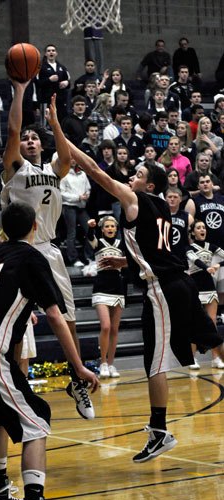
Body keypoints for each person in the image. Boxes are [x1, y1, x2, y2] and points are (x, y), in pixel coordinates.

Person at [66, 143, 224, 462]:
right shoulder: (163, 206)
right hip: (177, 283)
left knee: (155, 361)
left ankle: (160, 432)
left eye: (137, 175)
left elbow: (96, 172)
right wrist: (127, 263)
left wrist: (65, 141)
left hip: (162, 289)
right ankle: (158, 430)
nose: (130, 178)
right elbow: (156, 251)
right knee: (207, 341)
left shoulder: (135, 199)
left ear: (147, 186)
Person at [0, 202, 99, 500]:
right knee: (38, 420)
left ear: (2, 229)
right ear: (35, 227)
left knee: (1, 417)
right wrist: (78, 366)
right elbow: (55, 316)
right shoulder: (31, 257)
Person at [1, 80, 96, 421]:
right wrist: (20, 89)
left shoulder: (54, 170)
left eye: (33, 138)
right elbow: (12, 130)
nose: (28, 140)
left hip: (49, 251)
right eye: (26, 138)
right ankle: (5, 385)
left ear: (41, 144)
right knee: (9, 325)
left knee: (67, 319)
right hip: (18, 251)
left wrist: (55, 123)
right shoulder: (15, 169)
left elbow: (68, 157)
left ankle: (76, 379)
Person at [87, 216, 126, 378]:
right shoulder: (98, 243)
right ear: (102, 229)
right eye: (107, 226)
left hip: (118, 287)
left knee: (115, 329)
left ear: (116, 229)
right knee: (106, 327)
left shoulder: (121, 245)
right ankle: (102, 362)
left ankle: (111, 364)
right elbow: (90, 237)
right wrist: (91, 227)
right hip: (101, 288)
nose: (110, 228)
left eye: (112, 226)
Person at [186, 220, 224, 370]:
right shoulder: (188, 248)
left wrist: (218, 265)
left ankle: (215, 358)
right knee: (193, 322)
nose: (202, 230)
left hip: (209, 287)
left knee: (212, 322)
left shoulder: (212, 247)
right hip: (194, 286)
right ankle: (192, 358)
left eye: (204, 228)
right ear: (193, 232)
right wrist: (207, 267)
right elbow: (194, 259)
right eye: (199, 228)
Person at [60, 158, 93, 267]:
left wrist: (87, 195)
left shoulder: (82, 173)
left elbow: (88, 187)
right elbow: (61, 193)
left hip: (81, 207)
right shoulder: (63, 174)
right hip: (69, 207)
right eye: (70, 159)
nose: (73, 161)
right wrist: (78, 197)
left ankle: (89, 256)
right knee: (72, 233)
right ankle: (73, 259)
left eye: (74, 159)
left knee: (90, 230)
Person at [38, 44, 70, 123]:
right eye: (48, 51)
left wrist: (66, 83)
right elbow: (37, 83)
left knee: (61, 122)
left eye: (53, 51)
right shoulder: (41, 67)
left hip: (60, 100)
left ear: (56, 53)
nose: (51, 52)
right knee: (46, 123)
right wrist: (49, 80)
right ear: (45, 54)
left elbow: (68, 82)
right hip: (46, 100)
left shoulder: (62, 67)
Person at [165, 187, 193, 267]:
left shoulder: (188, 217)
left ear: (180, 199)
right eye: (170, 197)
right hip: (166, 256)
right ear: (165, 198)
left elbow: (191, 239)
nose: (172, 199)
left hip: (183, 256)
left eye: (175, 197)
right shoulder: (160, 215)